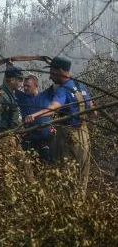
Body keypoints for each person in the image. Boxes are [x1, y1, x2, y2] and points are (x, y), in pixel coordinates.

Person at [24, 57, 96, 191]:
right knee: (82, 175)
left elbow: (54, 107)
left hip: (68, 136)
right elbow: (93, 112)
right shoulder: (81, 86)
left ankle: (67, 207)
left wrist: (34, 115)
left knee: (65, 174)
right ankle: (81, 204)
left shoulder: (63, 90)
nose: (50, 77)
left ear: (61, 71)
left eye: (52, 72)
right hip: (84, 136)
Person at [15, 73, 55, 162]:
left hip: (46, 140)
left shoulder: (46, 95)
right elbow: (10, 83)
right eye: (24, 86)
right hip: (29, 140)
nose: (25, 88)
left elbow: (58, 83)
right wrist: (10, 67)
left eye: (28, 86)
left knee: (47, 165)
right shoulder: (22, 97)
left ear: (36, 85)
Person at [0, 64, 24, 134]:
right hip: (1, 139)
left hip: (9, 137)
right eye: (20, 80)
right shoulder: (0, 96)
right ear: (12, 80)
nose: (22, 84)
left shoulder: (10, 95)